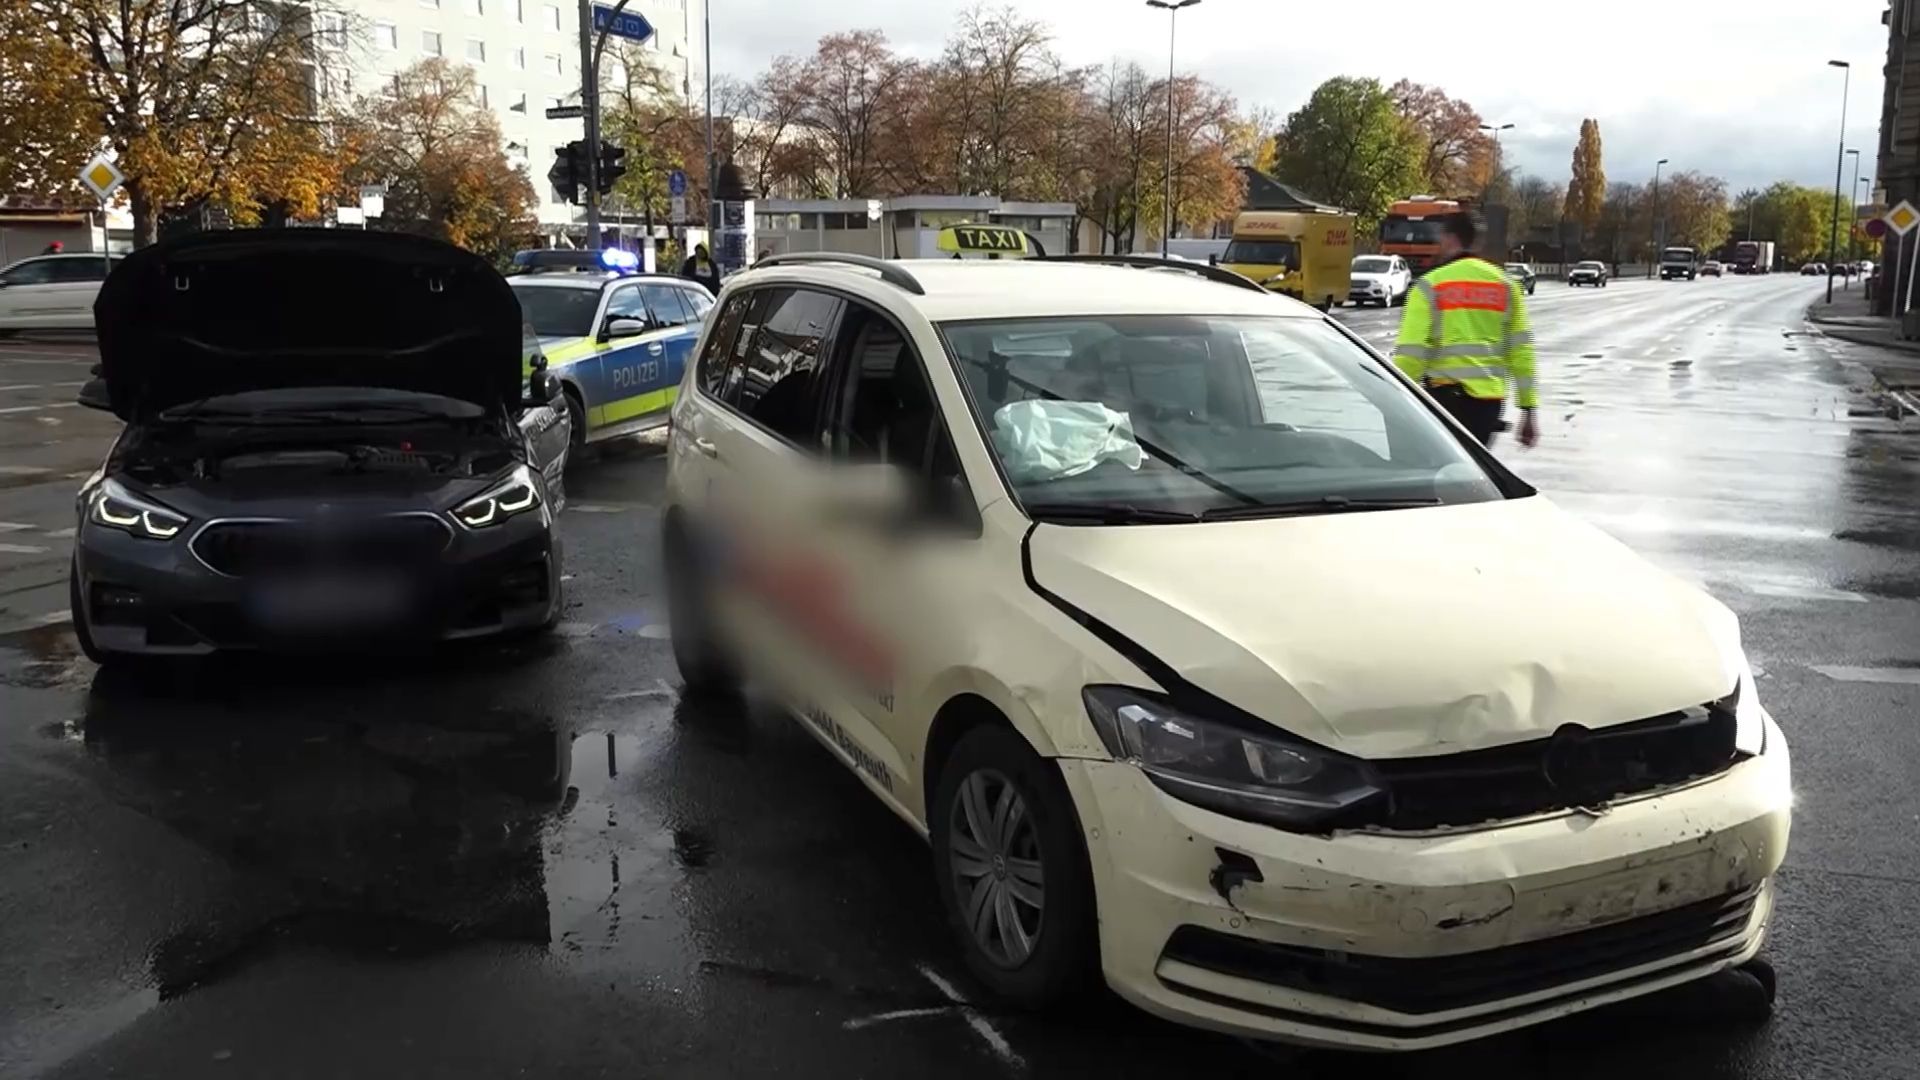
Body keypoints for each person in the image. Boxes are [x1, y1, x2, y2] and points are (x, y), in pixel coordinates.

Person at [1391, 212, 1538, 448]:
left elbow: (1412, 354)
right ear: (1476, 241)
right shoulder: (1507, 287)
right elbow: (1522, 352)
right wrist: (1529, 410)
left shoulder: (1430, 286)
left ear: (1450, 239)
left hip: (1445, 402)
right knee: (1474, 471)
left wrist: (1392, 398)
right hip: (1489, 405)